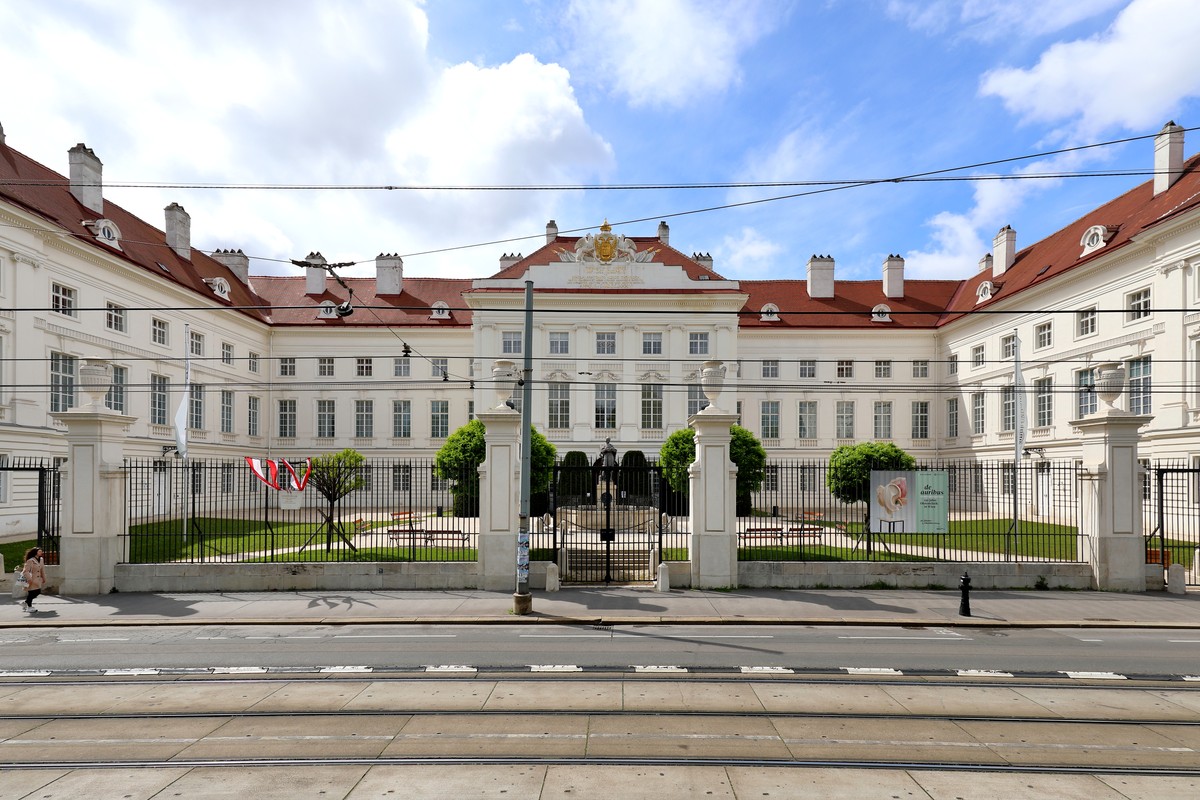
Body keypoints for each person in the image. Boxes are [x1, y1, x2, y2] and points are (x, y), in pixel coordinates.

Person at [21, 547, 46, 613]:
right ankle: (29, 607)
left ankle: (25, 603)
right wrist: (29, 579)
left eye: (41, 551)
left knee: (37, 592)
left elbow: (42, 569)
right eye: (39, 551)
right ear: (35, 552)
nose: (41, 552)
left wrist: (44, 578)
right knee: (32, 593)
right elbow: (25, 571)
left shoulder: (41, 559)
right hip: (31, 580)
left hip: (38, 580)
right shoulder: (30, 561)